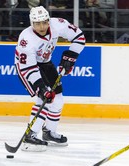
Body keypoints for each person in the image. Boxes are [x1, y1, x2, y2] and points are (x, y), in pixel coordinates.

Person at [15, 6, 85, 152]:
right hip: (27, 68)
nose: (41, 27)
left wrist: (70, 57)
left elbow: (79, 37)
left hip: (46, 63)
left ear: (48, 20)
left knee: (58, 99)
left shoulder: (58, 24)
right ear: (31, 23)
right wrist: (40, 86)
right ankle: (31, 136)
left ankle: (49, 133)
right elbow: (28, 68)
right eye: (37, 23)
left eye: (44, 22)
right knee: (45, 98)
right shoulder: (26, 39)